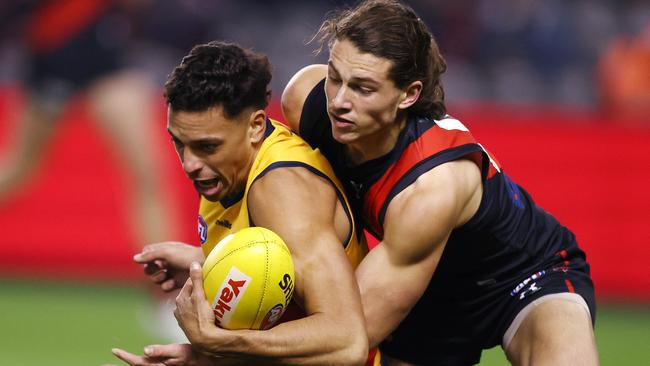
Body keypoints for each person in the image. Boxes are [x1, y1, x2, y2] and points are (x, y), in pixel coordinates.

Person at [280, 0, 598, 365]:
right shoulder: (306, 100)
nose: (338, 101)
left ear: (409, 94)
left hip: (523, 277)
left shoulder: (431, 186)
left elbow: (349, 337)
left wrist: (226, 347)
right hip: (426, 284)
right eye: (335, 77)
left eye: (363, 89)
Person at [110, 40, 373, 366]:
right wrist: (202, 264)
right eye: (180, 143)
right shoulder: (229, 168)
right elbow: (284, 287)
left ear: (255, 126)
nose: (190, 163)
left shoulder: (283, 191)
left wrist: (219, 346)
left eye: (207, 146)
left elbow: (345, 342)